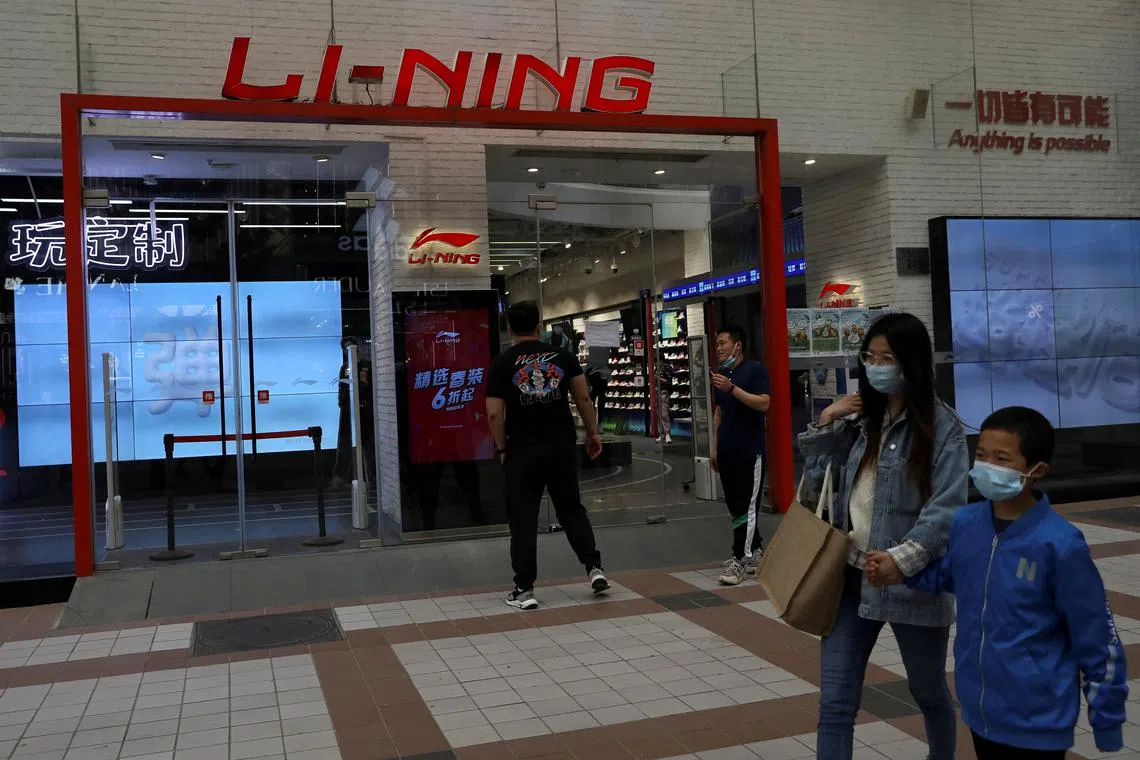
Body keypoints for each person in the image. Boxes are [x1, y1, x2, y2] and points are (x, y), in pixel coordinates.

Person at [866, 406, 1129, 760]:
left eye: (1002, 458)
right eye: (981, 456)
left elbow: (1096, 636)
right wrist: (898, 570)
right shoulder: (966, 524)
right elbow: (949, 575)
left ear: (1037, 471)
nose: (988, 466)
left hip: (1038, 719)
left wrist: (1108, 719)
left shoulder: (1060, 544)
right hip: (980, 710)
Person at [799, 312, 967, 760]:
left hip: (912, 582)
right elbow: (818, 489)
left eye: (886, 357)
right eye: (869, 357)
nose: (876, 366)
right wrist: (826, 420)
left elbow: (947, 507)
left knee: (928, 691)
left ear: (910, 362)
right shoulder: (860, 422)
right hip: (851, 579)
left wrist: (902, 559)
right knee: (835, 703)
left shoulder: (943, 427)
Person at [486, 301, 610, 610]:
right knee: (571, 509)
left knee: (524, 518)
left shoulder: (502, 362)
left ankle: (524, 589)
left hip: (522, 450)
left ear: (510, 328)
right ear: (539, 326)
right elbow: (583, 396)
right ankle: (594, 569)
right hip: (561, 446)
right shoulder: (564, 357)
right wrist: (593, 433)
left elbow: (493, 414)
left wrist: (502, 448)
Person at [710, 325, 771, 585]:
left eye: (723, 343)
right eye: (717, 345)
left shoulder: (756, 370)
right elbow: (719, 413)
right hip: (726, 450)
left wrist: (733, 388)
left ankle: (740, 558)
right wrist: (714, 447)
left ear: (738, 345)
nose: (719, 348)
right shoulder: (722, 374)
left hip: (749, 451)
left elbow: (764, 403)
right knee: (735, 507)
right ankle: (755, 550)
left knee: (747, 506)